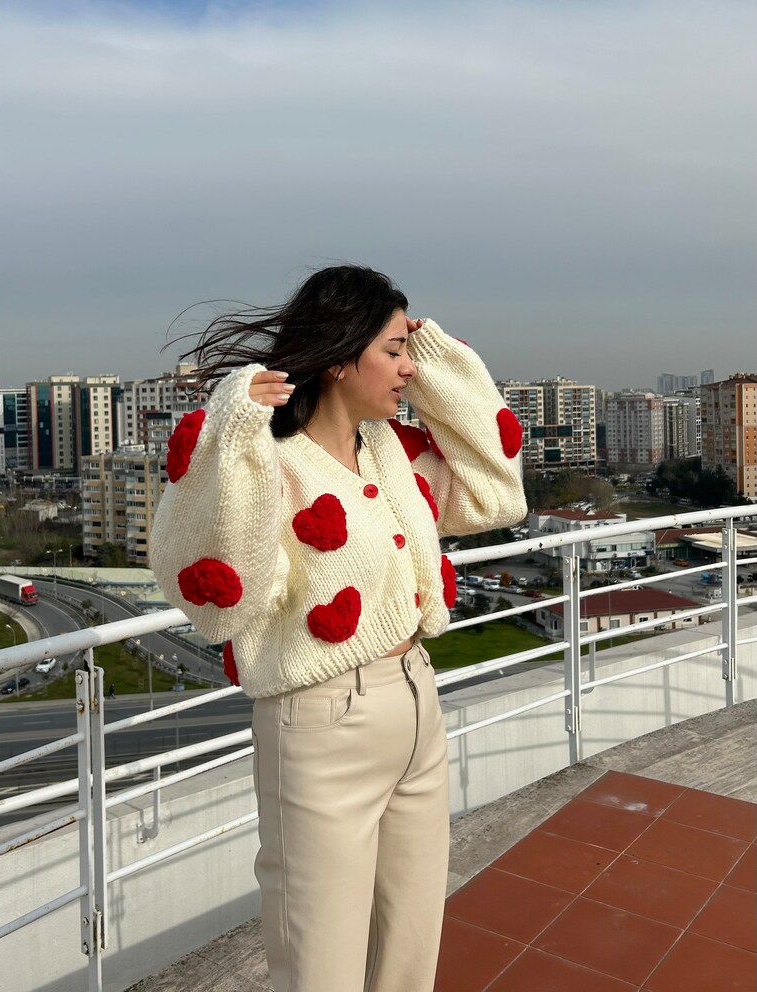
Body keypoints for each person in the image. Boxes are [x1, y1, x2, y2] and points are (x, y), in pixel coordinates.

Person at [149, 265, 527, 992]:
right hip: (322, 724)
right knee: (321, 959)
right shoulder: (269, 459)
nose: (407, 365)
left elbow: (496, 492)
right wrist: (232, 441)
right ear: (338, 357)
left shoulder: (391, 451)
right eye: (393, 349)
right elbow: (218, 602)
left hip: (415, 700)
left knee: (410, 947)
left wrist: (440, 362)